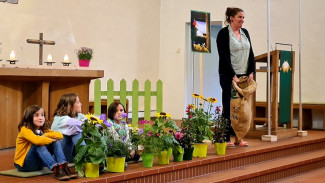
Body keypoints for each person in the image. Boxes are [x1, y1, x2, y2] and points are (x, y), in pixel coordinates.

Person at [216, 7, 255, 147]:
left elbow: (251, 53)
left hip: (244, 77)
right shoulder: (223, 34)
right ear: (231, 18)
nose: (242, 20)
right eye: (240, 17)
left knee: (242, 109)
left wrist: (251, 71)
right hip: (229, 76)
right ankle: (225, 138)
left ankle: (239, 138)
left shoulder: (245, 33)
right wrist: (233, 75)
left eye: (243, 18)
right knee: (229, 106)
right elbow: (224, 57)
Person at [14, 105, 77, 181]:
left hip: (39, 165)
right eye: (36, 115)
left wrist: (46, 135)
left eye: (42, 115)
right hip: (24, 165)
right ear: (29, 118)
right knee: (38, 144)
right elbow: (37, 141)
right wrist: (50, 139)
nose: (40, 118)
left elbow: (60, 135)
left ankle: (63, 167)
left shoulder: (44, 130)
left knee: (56, 143)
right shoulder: (25, 129)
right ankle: (55, 168)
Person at [51, 93, 87, 163]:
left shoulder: (78, 115)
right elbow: (76, 124)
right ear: (70, 106)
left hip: (71, 155)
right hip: (58, 157)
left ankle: (96, 157)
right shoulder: (60, 119)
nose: (81, 104)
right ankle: (85, 157)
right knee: (75, 130)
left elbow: (92, 121)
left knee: (92, 130)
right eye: (78, 102)